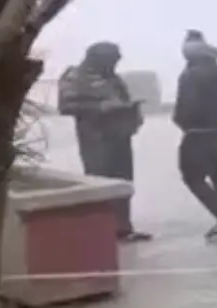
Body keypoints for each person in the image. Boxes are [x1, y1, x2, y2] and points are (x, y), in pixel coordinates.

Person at [57, 41, 151, 242]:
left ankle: (123, 228)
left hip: (120, 137)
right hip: (96, 139)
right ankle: (102, 230)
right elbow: (65, 106)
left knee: (123, 183)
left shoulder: (113, 78)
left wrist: (131, 111)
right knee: (100, 183)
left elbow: (123, 99)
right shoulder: (75, 76)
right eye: (111, 60)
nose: (115, 64)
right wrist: (101, 107)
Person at [174, 31, 217, 239]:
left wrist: (181, 121)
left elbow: (186, 106)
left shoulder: (191, 75)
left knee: (192, 176)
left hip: (197, 133)